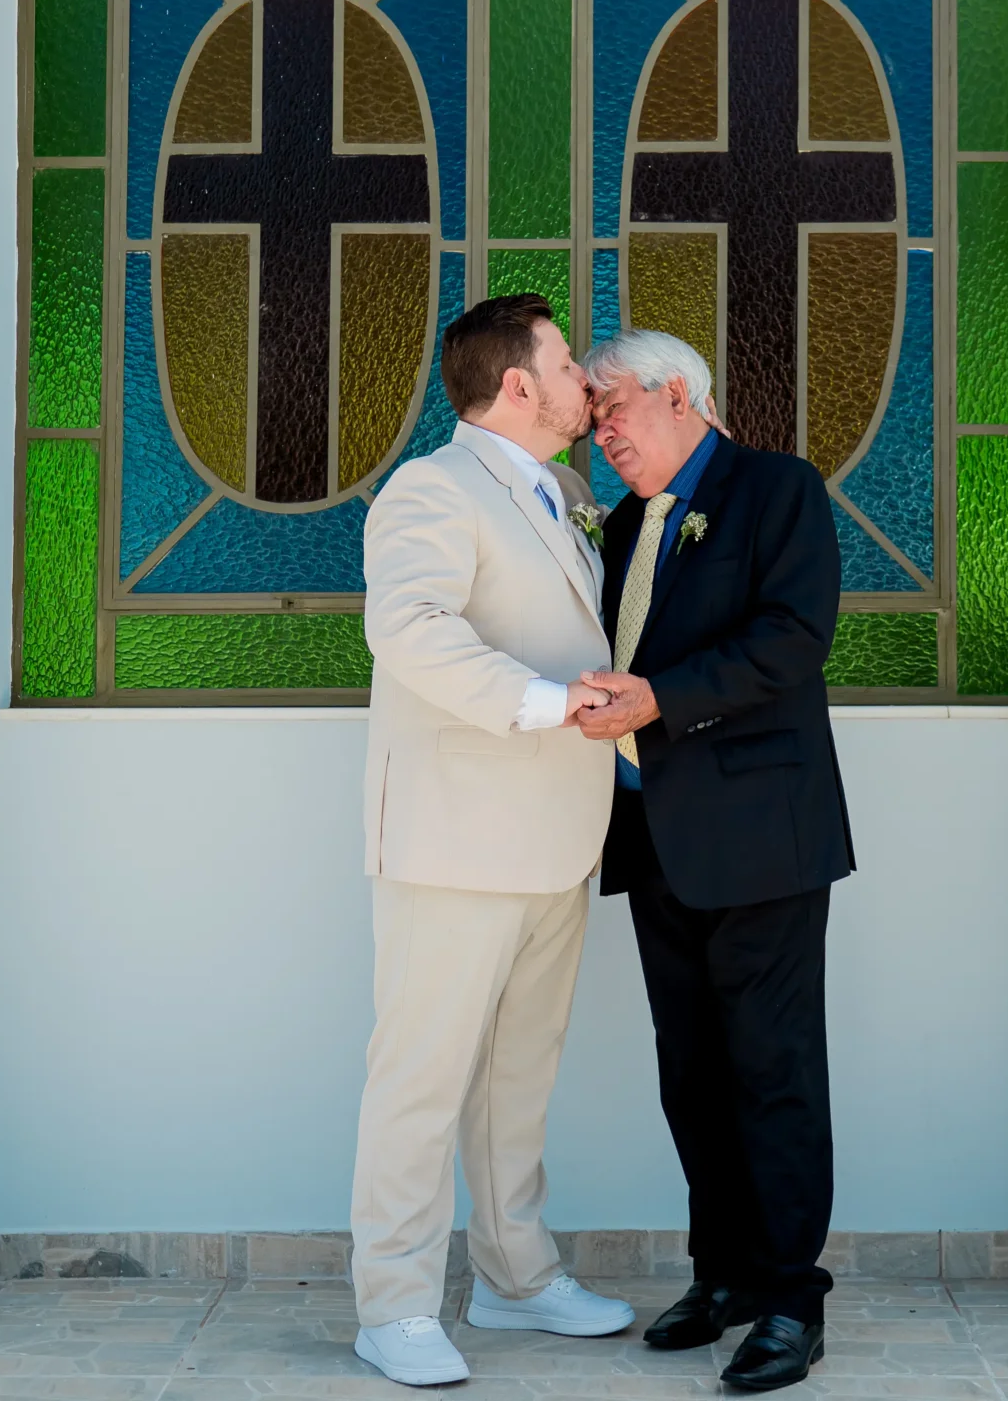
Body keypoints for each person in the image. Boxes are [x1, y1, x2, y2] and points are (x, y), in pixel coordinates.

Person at [349, 294, 638, 1385]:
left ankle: (515, 1276)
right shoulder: (432, 487)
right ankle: (393, 1303)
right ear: (517, 384)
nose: (583, 382)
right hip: (456, 839)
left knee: (519, 1074)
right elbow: (409, 628)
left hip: (560, 835)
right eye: (565, 363)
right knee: (421, 1078)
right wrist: (551, 703)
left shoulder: (568, 492)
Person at [572, 329, 851, 1393]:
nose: (602, 431)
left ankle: (790, 1300)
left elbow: (793, 636)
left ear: (679, 394)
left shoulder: (777, 489)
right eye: (593, 416)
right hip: (654, 839)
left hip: (763, 837)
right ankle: (722, 1273)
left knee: (773, 1070)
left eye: (614, 408)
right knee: (690, 1072)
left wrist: (658, 698)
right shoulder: (621, 524)